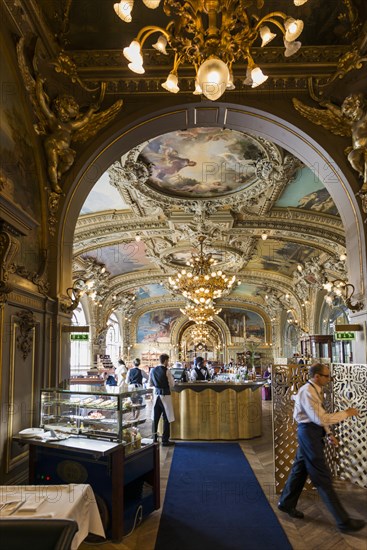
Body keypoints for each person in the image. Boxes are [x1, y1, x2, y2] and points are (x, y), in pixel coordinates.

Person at [278, 363, 365, 533]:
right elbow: (320, 418)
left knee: (299, 469)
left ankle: (286, 502)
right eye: (326, 376)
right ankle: (343, 522)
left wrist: (329, 433)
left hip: (312, 432)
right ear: (317, 376)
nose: (329, 378)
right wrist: (347, 412)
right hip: (308, 434)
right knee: (322, 477)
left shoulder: (315, 390)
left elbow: (318, 418)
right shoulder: (308, 392)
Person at [149, 353, 175, 446]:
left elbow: (150, 384)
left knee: (155, 418)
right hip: (165, 396)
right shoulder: (167, 371)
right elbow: (172, 384)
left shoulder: (152, 370)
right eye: (167, 361)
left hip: (156, 396)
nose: (168, 363)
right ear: (165, 361)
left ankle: (154, 438)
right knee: (166, 418)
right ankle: (165, 440)